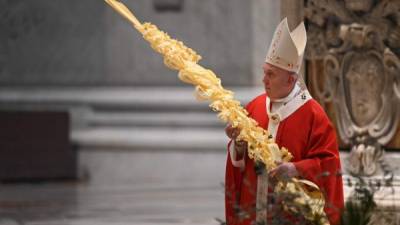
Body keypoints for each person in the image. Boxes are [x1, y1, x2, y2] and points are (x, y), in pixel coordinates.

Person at [224, 18, 344, 225]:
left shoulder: (313, 115)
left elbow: (329, 165)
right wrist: (239, 146)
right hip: (253, 213)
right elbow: (239, 164)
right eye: (264, 72)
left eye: (271, 74)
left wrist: (296, 169)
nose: (264, 80)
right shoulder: (254, 107)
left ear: (291, 79)